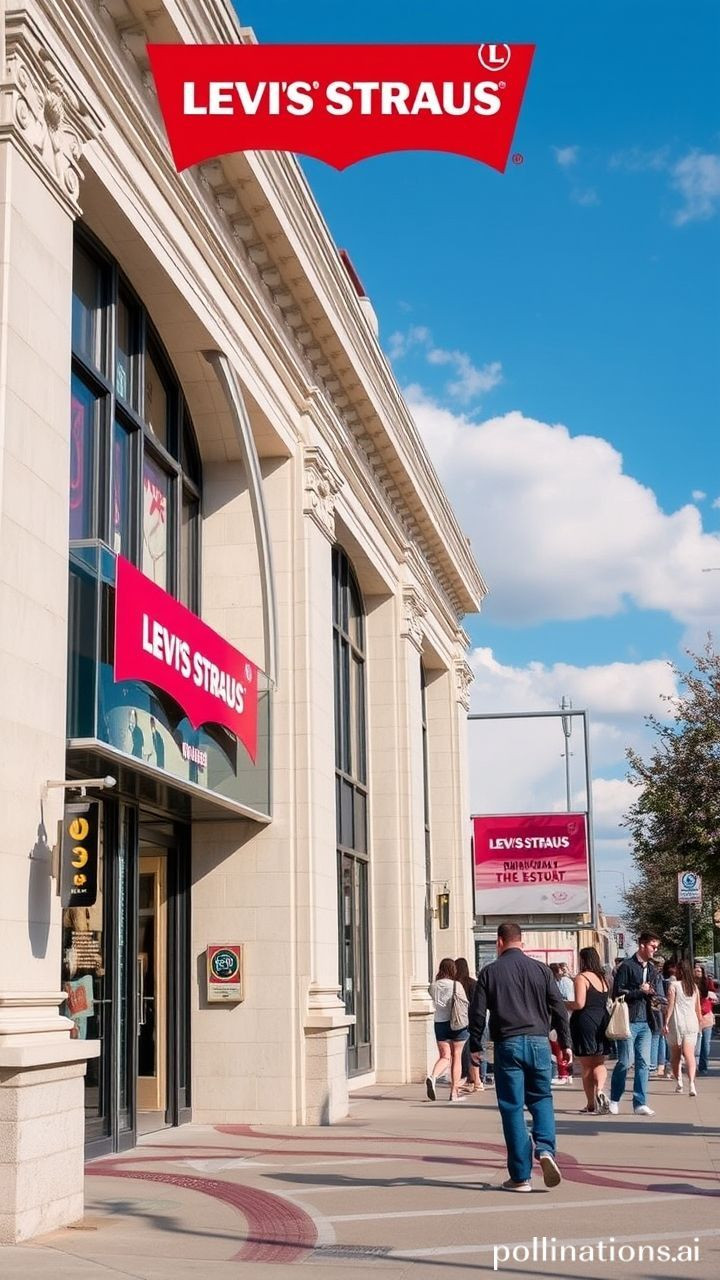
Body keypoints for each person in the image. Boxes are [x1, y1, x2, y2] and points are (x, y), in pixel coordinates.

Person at [468, 921, 570, 1193]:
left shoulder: (490, 972)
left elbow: (477, 1013)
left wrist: (475, 1045)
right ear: (521, 941)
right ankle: (546, 1149)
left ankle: (521, 1176)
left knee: (512, 1107)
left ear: (499, 941)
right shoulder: (541, 970)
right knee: (541, 1098)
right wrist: (565, 1042)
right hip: (539, 1042)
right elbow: (558, 1007)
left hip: (508, 1043)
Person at [608, 931, 663, 1116]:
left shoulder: (653, 969)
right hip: (628, 1021)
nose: (655, 950)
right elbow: (617, 993)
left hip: (646, 1021)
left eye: (656, 947)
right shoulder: (627, 966)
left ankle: (640, 1103)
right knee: (625, 1061)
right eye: (653, 946)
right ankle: (614, 1098)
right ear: (642, 945)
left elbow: (655, 994)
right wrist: (640, 991)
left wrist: (654, 994)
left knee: (644, 1064)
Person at [567, 947, 611, 1114]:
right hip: (602, 1020)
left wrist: (564, 1004)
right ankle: (600, 1090)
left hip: (585, 1021)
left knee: (586, 1065)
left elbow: (579, 1004)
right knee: (599, 1062)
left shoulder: (582, 978)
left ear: (583, 960)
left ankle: (591, 1104)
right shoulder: (603, 979)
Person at [426, 958, 468, 1103]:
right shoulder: (457, 985)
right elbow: (464, 1003)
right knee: (457, 1056)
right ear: (453, 969)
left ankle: (433, 1077)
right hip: (457, 1023)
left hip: (440, 1023)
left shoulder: (433, 986)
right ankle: (454, 1093)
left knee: (445, 1056)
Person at [665, 958, 702, 1095]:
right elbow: (698, 1009)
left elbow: (670, 1005)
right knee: (689, 1055)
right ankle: (692, 1084)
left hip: (677, 1022)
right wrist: (700, 1024)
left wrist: (665, 1022)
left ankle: (679, 1081)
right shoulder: (694, 987)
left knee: (675, 1056)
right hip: (691, 1022)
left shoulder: (674, 985)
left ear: (679, 970)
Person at [455, 957, 484, 1093]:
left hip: (457, 1022)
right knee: (473, 1050)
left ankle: (470, 1079)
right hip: (472, 1020)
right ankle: (476, 1080)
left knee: (460, 1052)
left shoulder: (456, 984)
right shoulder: (473, 983)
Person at [548, 965, 571, 1086]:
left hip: (555, 1021)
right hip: (560, 1019)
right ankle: (566, 1073)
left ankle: (563, 1074)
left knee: (557, 1049)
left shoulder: (560, 983)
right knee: (559, 1048)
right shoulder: (560, 982)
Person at [694, 963, 715, 1076]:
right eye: (695, 970)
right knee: (695, 1044)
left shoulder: (707, 983)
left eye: (699, 971)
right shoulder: (690, 985)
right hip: (694, 1017)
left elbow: (713, 996)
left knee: (705, 1044)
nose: (697, 972)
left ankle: (703, 1067)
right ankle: (694, 1065)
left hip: (706, 1017)